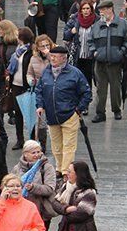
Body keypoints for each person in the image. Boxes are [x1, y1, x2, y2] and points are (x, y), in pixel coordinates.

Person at [35, 46, 92, 175]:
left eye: (55, 57)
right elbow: (40, 90)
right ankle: (59, 168)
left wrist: (78, 110)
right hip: (51, 115)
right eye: (51, 56)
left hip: (69, 115)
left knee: (68, 146)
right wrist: (40, 105)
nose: (52, 59)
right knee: (56, 146)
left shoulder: (75, 73)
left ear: (63, 58)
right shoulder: (46, 72)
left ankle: (66, 171)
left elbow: (86, 93)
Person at [86, 0, 127, 122]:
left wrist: (121, 52)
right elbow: (90, 41)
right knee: (100, 88)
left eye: (103, 9)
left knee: (115, 87)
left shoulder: (123, 24)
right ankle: (100, 112)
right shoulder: (97, 25)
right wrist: (94, 52)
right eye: (100, 10)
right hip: (100, 62)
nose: (101, 12)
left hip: (115, 61)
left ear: (110, 9)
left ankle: (116, 110)